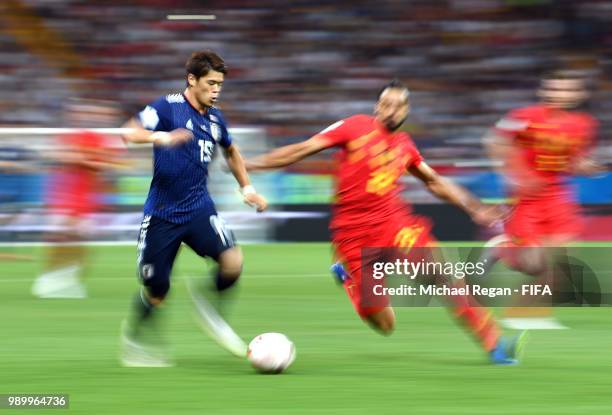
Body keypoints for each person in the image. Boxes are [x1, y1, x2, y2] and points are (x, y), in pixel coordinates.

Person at [247, 79, 524, 364]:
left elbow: (434, 181)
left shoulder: (405, 146)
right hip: (353, 236)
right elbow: (302, 149)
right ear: (377, 107)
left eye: (398, 105)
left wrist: (475, 208)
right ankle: (348, 279)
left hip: (396, 225)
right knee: (385, 324)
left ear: (406, 111)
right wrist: (251, 165)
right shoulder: (354, 127)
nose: (391, 110)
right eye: (386, 104)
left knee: (442, 275)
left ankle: (495, 344)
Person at [120, 51, 267, 367]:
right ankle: (134, 340)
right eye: (211, 83)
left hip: (199, 208)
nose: (216, 90)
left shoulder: (216, 117)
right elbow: (128, 132)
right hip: (162, 215)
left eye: (220, 84)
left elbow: (231, 150)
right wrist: (161, 137)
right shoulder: (167, 106)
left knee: (232, 261)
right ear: (192, 80)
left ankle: (209, 306)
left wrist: (248, 189)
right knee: (157, 291)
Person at [483, 71, 602, 329]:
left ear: (578, 94)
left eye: (566, 90)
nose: (559, 94)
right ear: (544, 91)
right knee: (533, 264)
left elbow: (574, 160)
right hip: (526, 198)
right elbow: (494, 141)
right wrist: (514, 175)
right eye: (554, 89)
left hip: (557, 194)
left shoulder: (584, 124)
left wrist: (586, 167)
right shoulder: (526, 117)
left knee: (562, 257)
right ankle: (502, 249)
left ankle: (528, 314)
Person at [31, 100, 121, 298]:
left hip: (88, 200)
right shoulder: (70, 136)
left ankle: (69, 280)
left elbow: (108, 165)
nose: (93, 118)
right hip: (66, 196)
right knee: (61, 239)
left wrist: (87, 161)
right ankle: (47, 280)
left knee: (81, 242)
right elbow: (65, 157)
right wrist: (87, 161)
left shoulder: (101, 140)